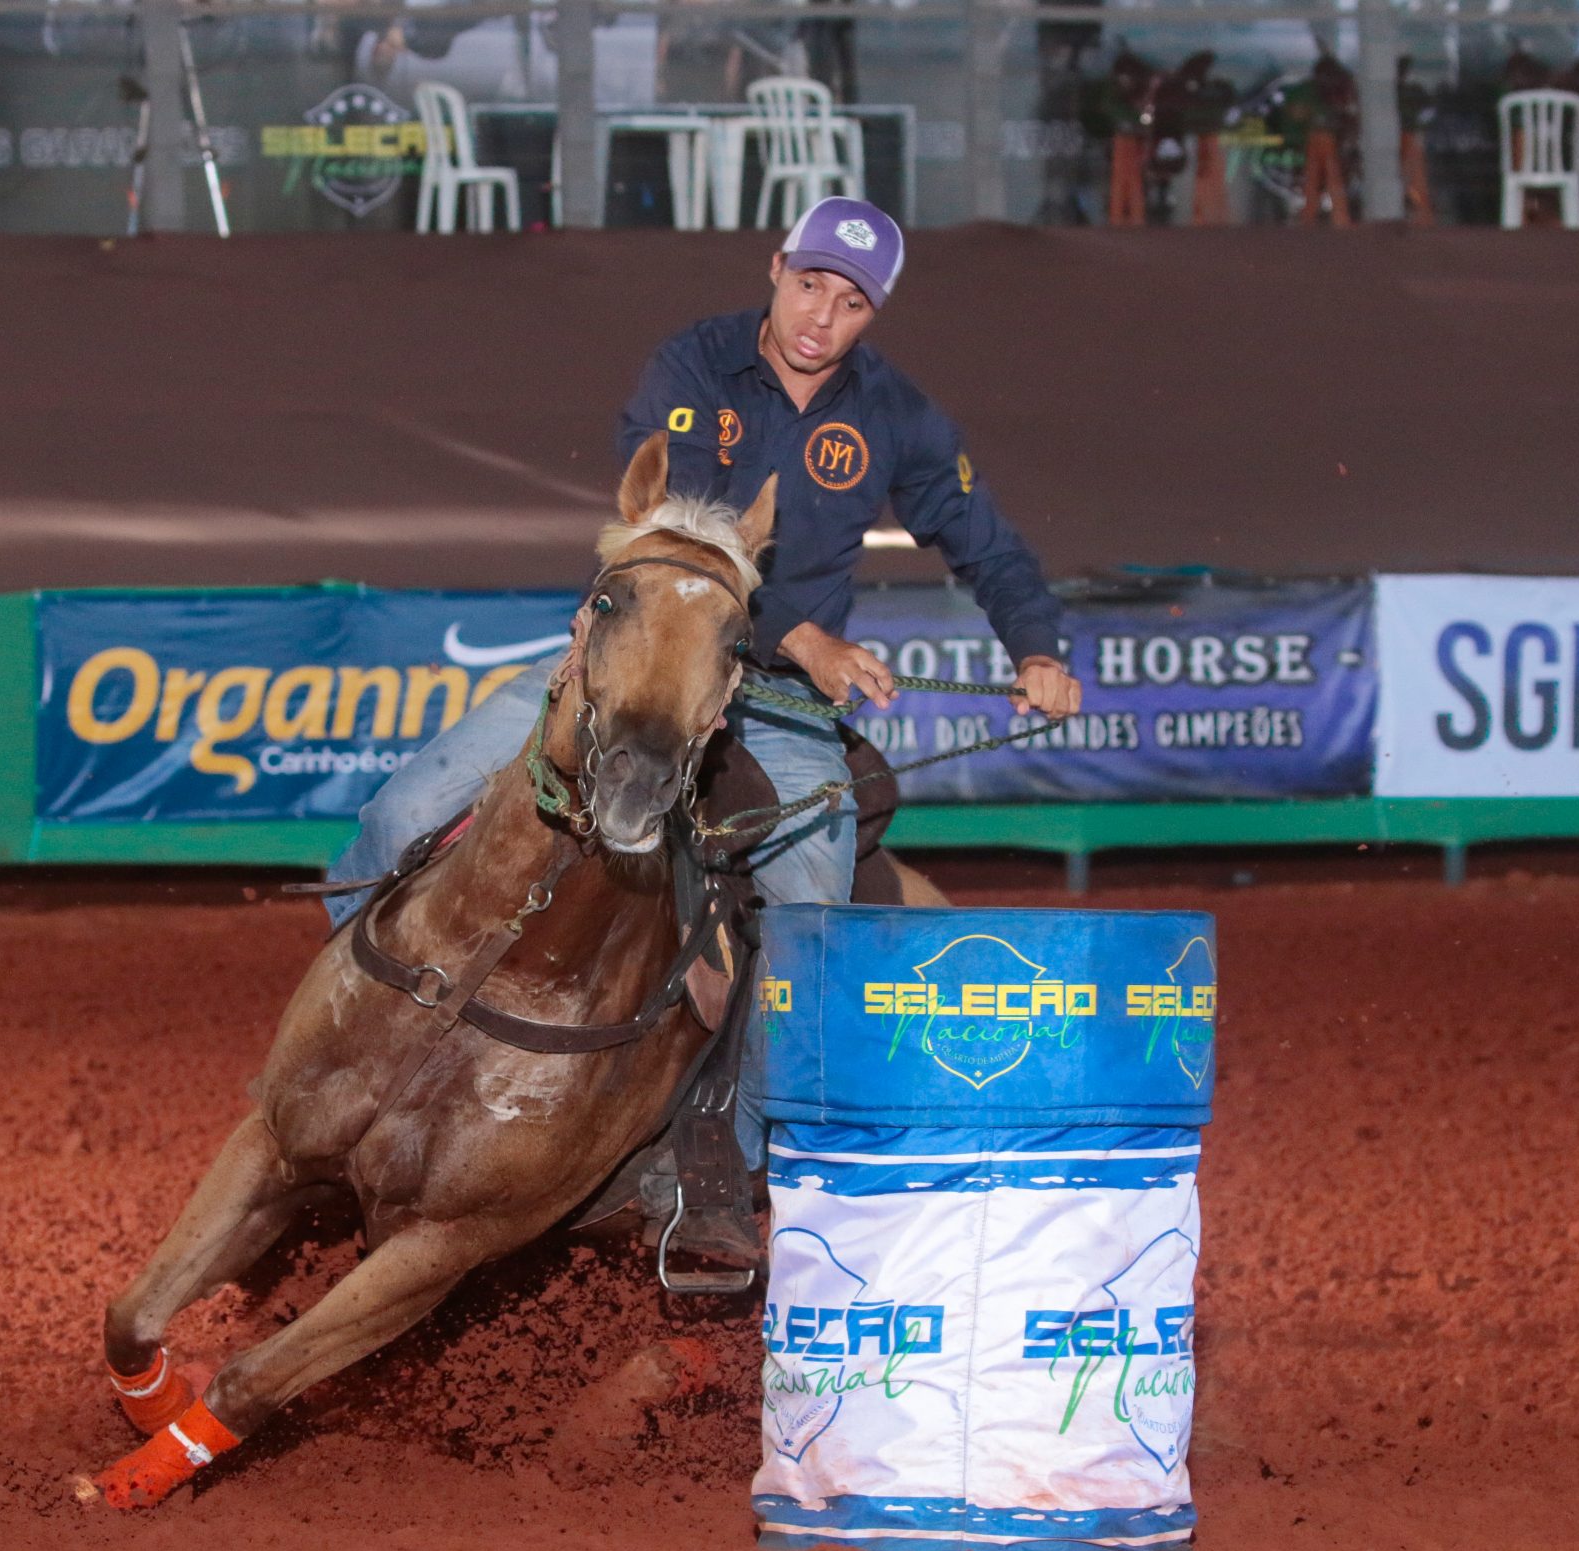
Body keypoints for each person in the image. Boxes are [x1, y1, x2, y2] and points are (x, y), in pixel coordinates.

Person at [320, 196, 1082, 1168]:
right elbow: (681, 532)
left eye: (850, 303)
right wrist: (808, 637)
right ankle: (345, 1042)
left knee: (809, 917)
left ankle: (732, 1159)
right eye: (810, 285)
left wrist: (1037, 651)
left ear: (873, 314)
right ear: (776, 268)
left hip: (776, 703)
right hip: (634, 664)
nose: (821, 316)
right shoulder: (693, 366)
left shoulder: (895, 413)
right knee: (402, 813)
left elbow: (988, 544)